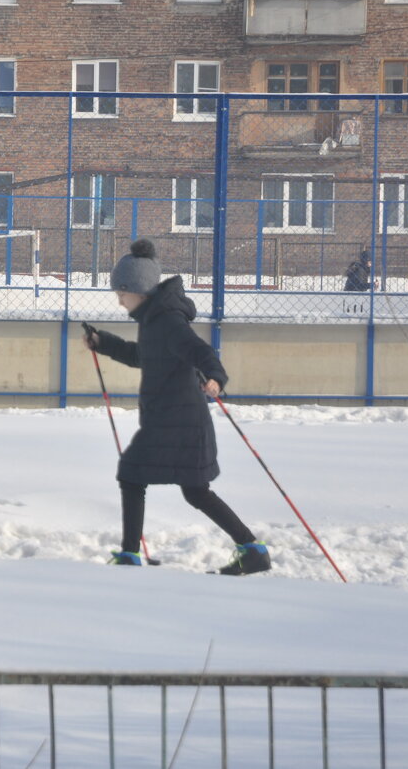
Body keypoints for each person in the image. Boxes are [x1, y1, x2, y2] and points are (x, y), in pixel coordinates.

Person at [82, 239, 271, 576]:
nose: (118, 298)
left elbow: (201, 352)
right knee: (194, 491)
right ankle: (252, 549)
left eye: (121, 291)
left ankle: (129, 556)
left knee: (134, 474)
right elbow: (143, 357)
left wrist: (215, 378)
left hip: (178, 422)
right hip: (173, 421)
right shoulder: (153, 320)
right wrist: (102, 342)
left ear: (138, 290)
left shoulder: (167, 321)